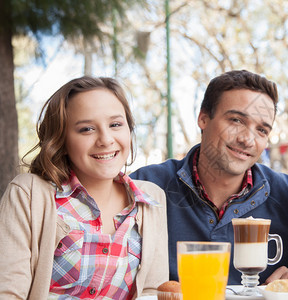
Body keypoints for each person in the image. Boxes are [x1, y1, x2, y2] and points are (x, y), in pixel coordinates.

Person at [130, 70, 288, 284]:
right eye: (236, 120)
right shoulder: (146, 186)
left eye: (262, 130)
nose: (247, 139)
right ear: (203, 118)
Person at [0, 76, 169, 299]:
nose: (106, 139)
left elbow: (153, 291)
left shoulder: (151, 199)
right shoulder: (28, 194)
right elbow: (8, 293)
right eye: (87, 129)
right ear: (61, 139)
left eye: (116, 124)